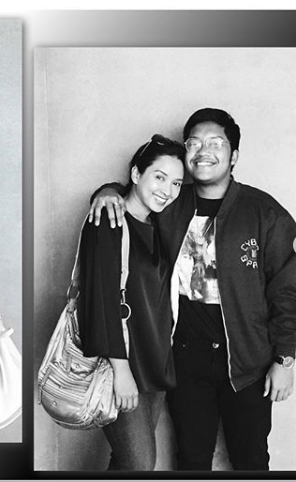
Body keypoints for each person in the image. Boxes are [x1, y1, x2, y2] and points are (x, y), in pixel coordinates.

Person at [89, 108, 296, 470]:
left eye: (216, 143)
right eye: (194, 143)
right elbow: (135, 198)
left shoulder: (264, 213)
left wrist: (285, 358)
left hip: (248, 360)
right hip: (183, 359)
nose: (204, 151)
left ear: (234, 156)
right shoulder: (170, 202)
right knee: (191, 459)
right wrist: (106, 192)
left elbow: (287, 290)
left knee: (251, 460)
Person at [78, 134, 184, 470]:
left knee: (125, 463)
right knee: (140, 465)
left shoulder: (160, 224)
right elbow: (100, 300)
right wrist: (121, 371)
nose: (167, 190)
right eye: (159, 177)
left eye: (176, 183)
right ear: (137, 174)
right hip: (122, 364)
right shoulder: (108, 222)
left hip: (155, 362)